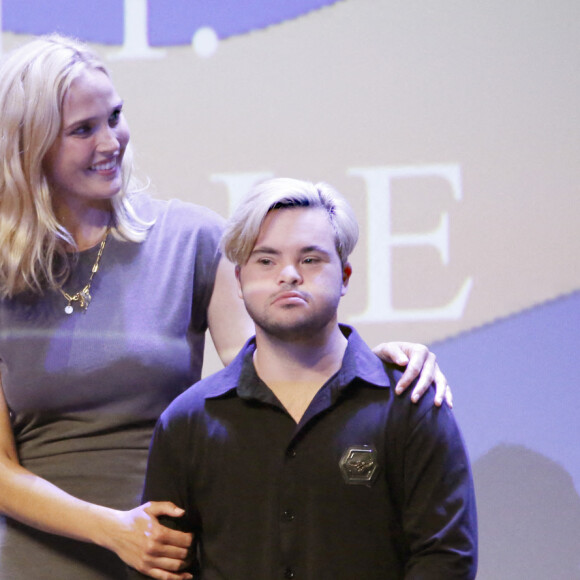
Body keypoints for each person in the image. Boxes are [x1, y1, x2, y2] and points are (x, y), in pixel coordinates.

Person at [0, 35, 451, 580]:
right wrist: (114, 529)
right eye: (83, 129)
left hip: (171, 556)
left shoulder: (188, 238)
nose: (111, 141)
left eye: (115, 117)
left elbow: (271, 373)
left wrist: (364, 366)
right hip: (43, 561)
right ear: (31, 146)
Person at [129, 178, 478, 579]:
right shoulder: (187, 422)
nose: (289, 274)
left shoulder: (409, 402)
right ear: (239, 280)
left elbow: (445, 558)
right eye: (266, 260)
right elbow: (162, 568)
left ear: (345, 276)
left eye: (311, 259)